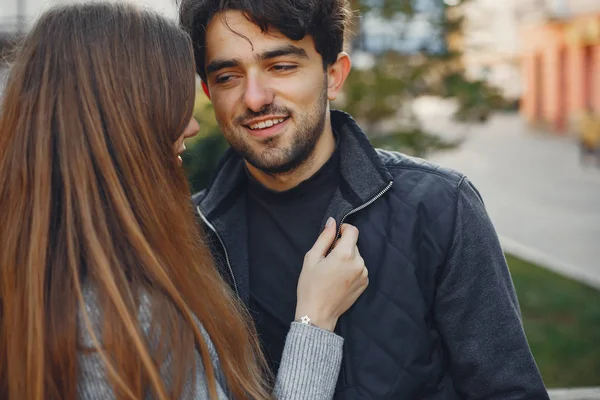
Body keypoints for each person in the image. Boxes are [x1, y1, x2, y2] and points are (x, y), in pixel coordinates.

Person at [179, 0, 550, 398]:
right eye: (228, 76)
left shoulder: (441, 206)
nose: (254, 98)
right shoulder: (186, 238)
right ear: (207, 92)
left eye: (281, 66)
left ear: (334, 76)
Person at [0, 3, 369, 400]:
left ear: (333, 75)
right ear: (125, 118)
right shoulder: (122, 314)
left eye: (281, 66)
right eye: (175, 101)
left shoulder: (39, 272)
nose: (192, 125)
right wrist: (315, 322)